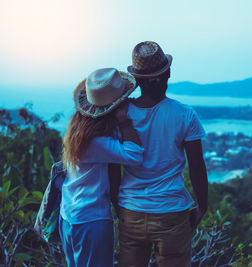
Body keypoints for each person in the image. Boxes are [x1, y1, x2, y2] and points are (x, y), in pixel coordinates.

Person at [109, 41, 209, 267]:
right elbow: (197, 167)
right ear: (169, 74)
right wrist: (203, 205)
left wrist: (117, 205)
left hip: (131, 210)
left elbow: (113, 166)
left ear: (137, 81)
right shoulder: (185, 115)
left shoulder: (121, 115)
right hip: (172, 212)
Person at [60, 68, 144, 267]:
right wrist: (124, 121)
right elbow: (135, 154)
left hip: (69, 215)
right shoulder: (96, 141)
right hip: (91, 220)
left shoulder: (78, 131)